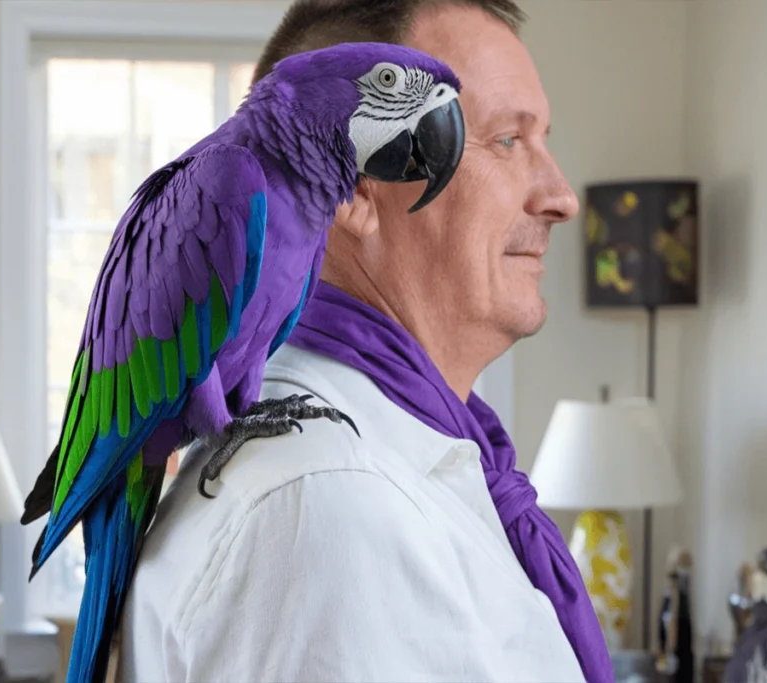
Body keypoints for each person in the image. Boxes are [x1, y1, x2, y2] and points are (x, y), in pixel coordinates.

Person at [120, 1, 613, 681]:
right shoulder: (327, 503)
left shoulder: (420, 464)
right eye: (506, 141)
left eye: (544, 141)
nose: (562, 197)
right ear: (356, 184)